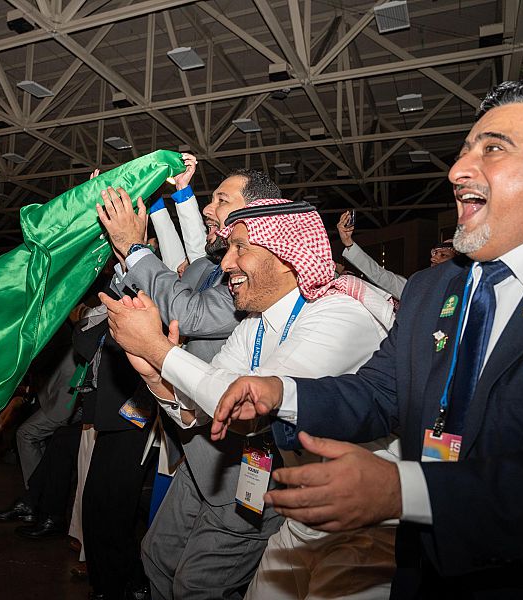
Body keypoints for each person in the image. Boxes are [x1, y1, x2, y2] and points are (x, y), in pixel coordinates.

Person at [211, 78, 523, 598]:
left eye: (493, 149)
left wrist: (404, 491)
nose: (457, 170)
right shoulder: (433, 289)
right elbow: (380, 393)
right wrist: (282, 393)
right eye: (464, 150)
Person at [101, 198, 398, 599]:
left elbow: (246, 405)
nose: (226, 263)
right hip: (301, 514)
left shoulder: (341, 316)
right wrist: (155, 374)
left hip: (364, 522)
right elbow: (201, 411)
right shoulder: (255, 324)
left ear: (287, 256)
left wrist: (158, 349)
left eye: (241, 247)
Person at [96, 166, 283, 599]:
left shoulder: (255, 282)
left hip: (243, 464)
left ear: (257, 214)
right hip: (199, 452)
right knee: (156, 556)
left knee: (198, 585)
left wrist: (134, 247)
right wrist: (124, 250)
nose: (207, 208)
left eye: (221, 200)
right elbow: (160, 297)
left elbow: (189, 313)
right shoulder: (205, 267)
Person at [337, 212, 458, 299]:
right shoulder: (417, 287)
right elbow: (380, 275)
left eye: (443, 255)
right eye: (435, 253)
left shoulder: (463, 291)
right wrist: (348, 242)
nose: (433, 258)